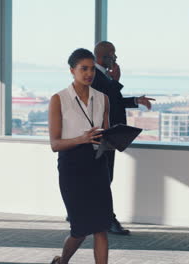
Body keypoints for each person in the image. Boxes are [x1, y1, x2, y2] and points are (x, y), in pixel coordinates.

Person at [49, 48, 112, 264]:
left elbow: (107, 135)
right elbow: (55, 144)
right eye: (83, 68)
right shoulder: (59, 99)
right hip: (72, 168)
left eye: (92, 69)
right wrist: (82, 139)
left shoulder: (103, 98)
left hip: (98, 166)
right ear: (72, 70)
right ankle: (62, 260)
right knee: (80, 229)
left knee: (101, 227)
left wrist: (116, 140)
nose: (89, 73)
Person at [91, 41, 155, 235]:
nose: (116, 59)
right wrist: (116, 80)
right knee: (103, 178)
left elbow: (115, 102)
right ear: (104, 56)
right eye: (114, 55)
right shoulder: (94, 76)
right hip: (103, 134)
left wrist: (136, 100)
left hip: (110, 134)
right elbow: (105, 101)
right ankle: (107, 219)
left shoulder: (104, 76)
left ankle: (95, 215)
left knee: (105, 178)